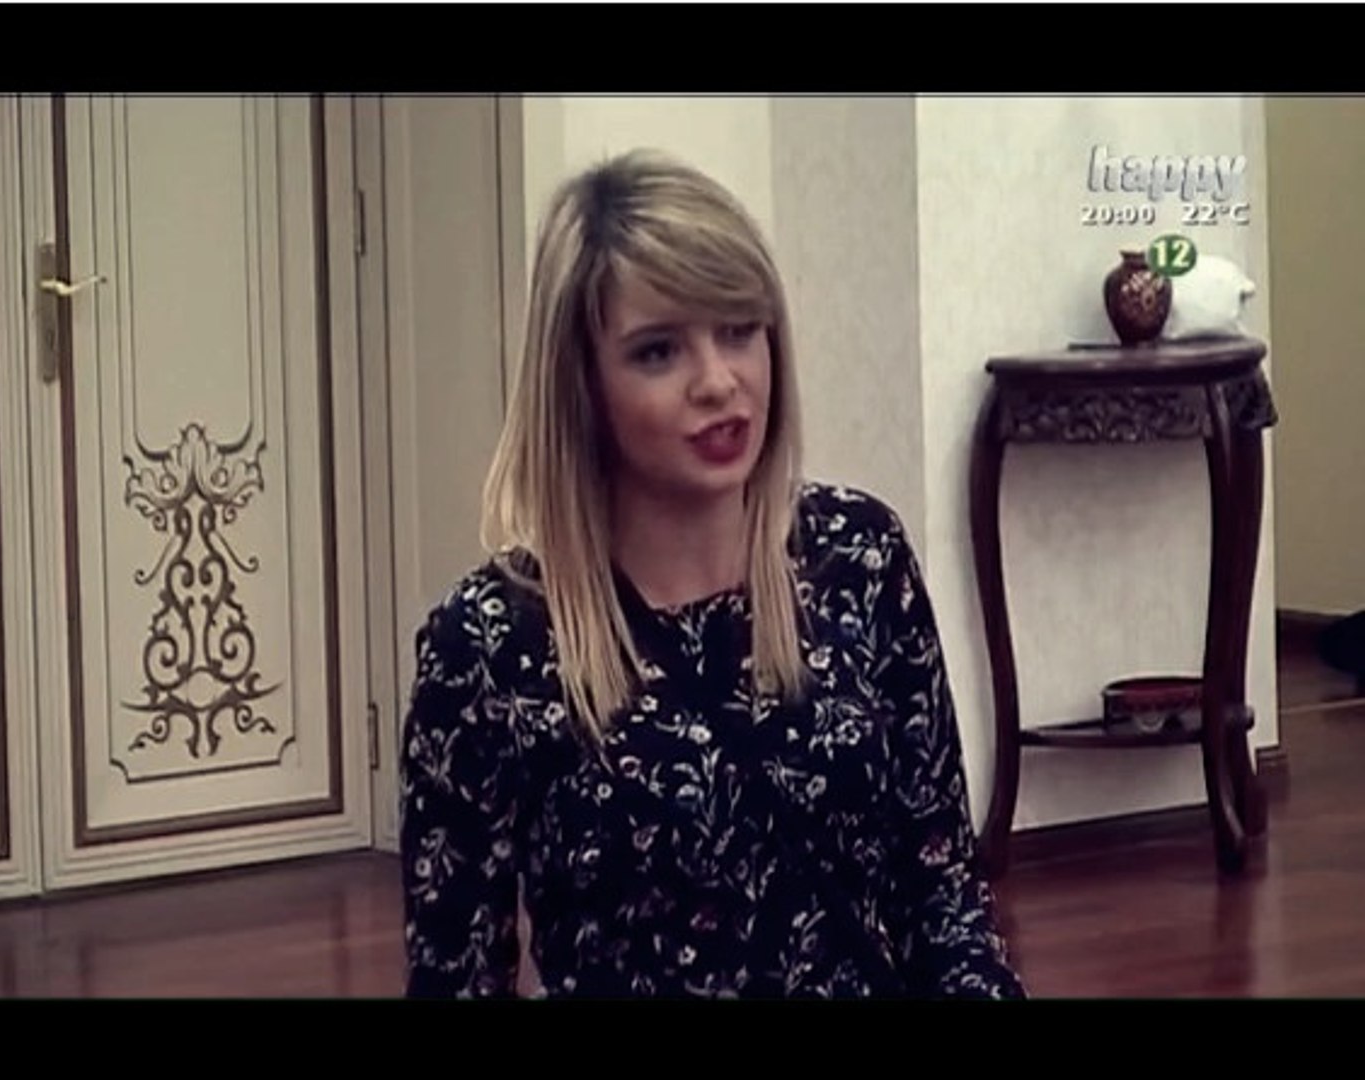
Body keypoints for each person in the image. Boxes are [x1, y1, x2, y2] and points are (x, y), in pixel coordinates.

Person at [399, 148, 1025, 998]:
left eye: (738, 330)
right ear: (582, 384)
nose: (718, 382)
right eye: (658, 351)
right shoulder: (487, 644)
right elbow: (455, 976)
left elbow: (942, 893)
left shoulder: (858, 558)